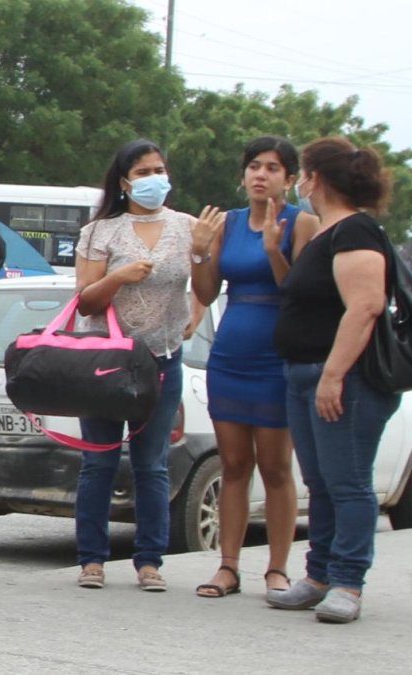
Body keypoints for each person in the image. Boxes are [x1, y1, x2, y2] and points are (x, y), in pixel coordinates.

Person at [269, 138, 398, 623]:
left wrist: (333, 376)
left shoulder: (356, 232)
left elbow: (364, 307)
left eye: (302, 172)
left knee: (348, 484)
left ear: (315, 177)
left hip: (346, 380)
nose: (301, 182)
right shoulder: (327, 232)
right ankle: (318, 574)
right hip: (302, 373)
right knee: (321, 484)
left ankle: (348, 581)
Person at [190, 136, 318, 598]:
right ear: (243, 175)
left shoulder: (303, 223)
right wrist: (200, 250)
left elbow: (302, 294)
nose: (261, 175)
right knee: (234, 464)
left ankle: (278, 568)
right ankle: (227, 566)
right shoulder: (228, 222)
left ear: (288, 178)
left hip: (278, 357)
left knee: (277, 467)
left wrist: (273, 252)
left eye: (272, 168)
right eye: (254, 167)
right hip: (230, 355)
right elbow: (205, 294)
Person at [73, 139, 193, 592]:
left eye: (159, 169)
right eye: (143, 172)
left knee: (152, 463)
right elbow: (85, 300)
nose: (153, 179)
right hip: (109, 359)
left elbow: (204, 279)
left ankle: (149, 560)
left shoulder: (186, 227)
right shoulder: (101, 231)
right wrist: (118, 276)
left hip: (162, 358)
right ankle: (91, 559)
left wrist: (196, 310)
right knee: (99, 461)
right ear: (125, 182)